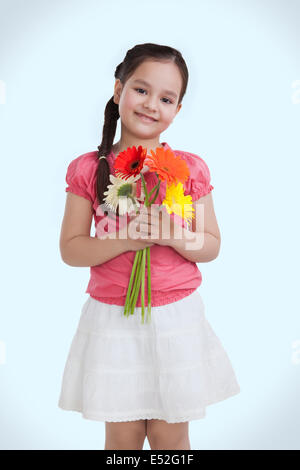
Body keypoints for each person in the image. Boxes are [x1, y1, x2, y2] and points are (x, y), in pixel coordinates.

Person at [57, 42, 240, 450]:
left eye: (166, 98)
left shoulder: (189, 169)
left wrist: (172, 235)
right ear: (118, 90)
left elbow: (210, 244)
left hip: (177, 318)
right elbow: (71, 248)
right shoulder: (90, 169)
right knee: (121, 437)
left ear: (177, 109)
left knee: (170, 435)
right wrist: (127, 238)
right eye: (141, 90)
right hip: (113, 319)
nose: (151, 104)